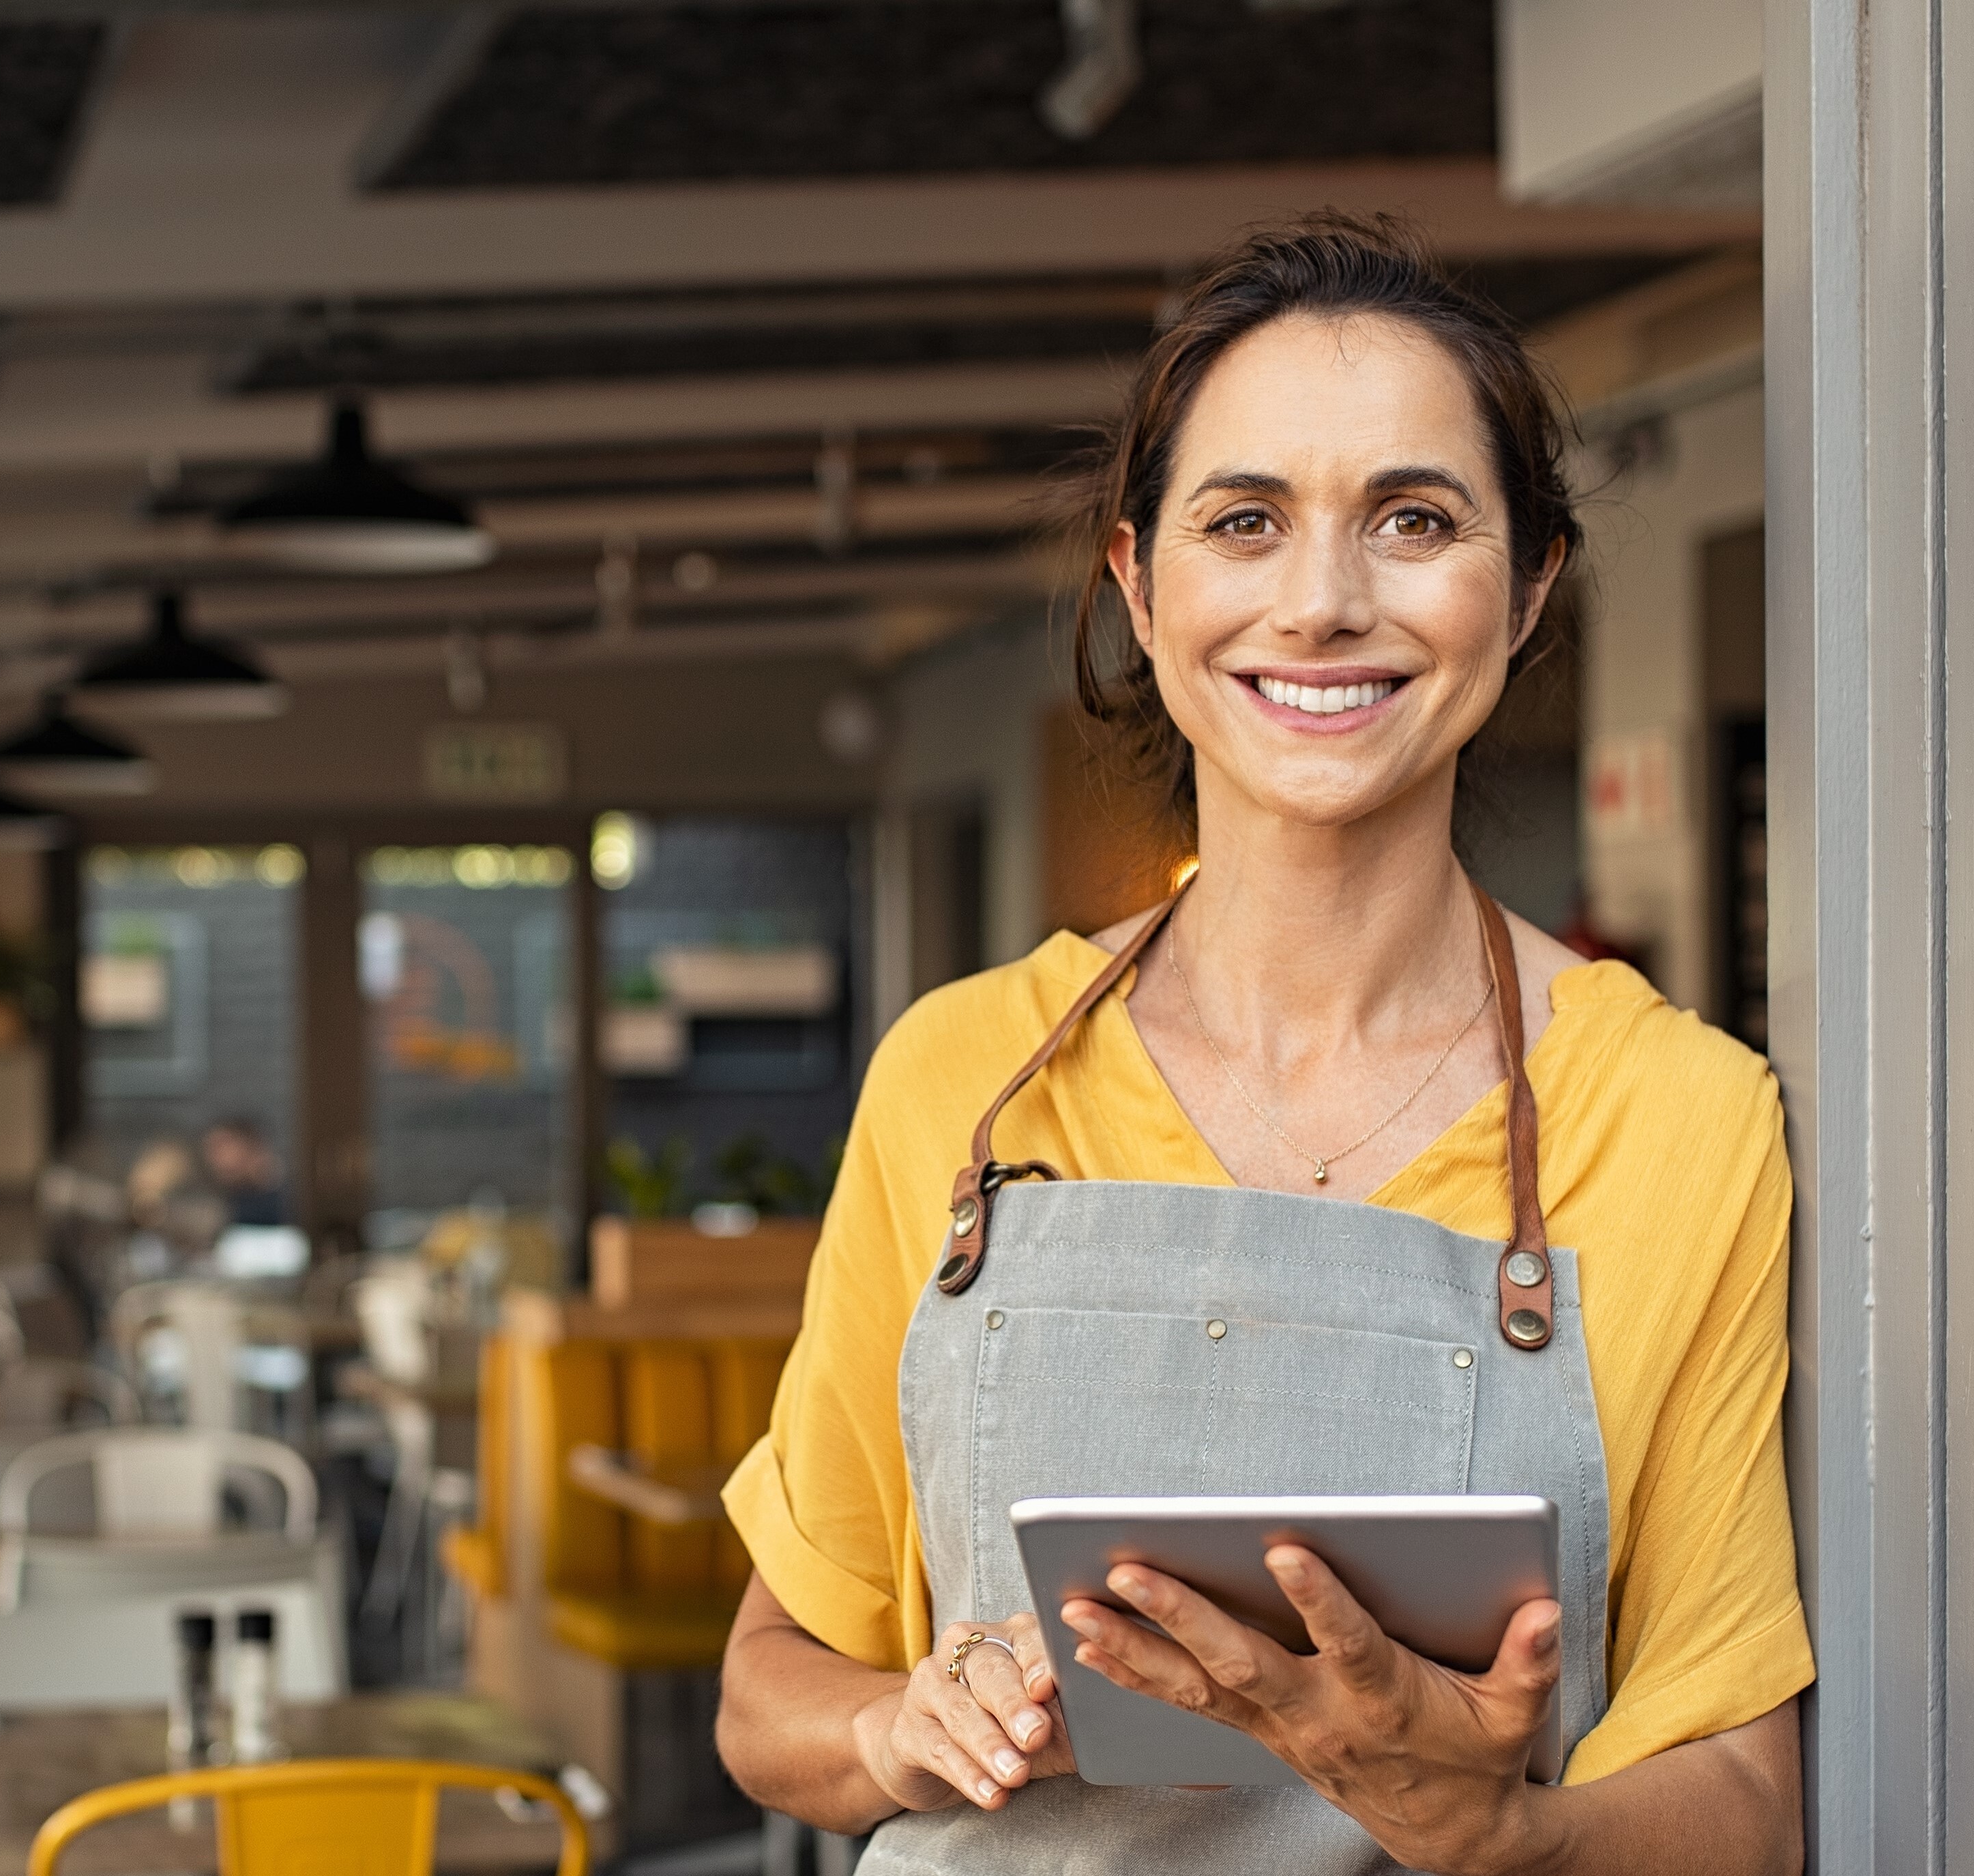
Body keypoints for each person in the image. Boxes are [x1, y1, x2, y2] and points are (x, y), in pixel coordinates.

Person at [714, 214, 1808, 1874]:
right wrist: (891, 1728)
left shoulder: (1672, 1115)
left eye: (1412, 518)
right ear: (1140, 585)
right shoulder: (960, 1076)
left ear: (1524, 591)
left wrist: (1501, 1833)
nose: (1320, 599)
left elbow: (1741, 1800)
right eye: (1244, 521)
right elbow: (765, 1686)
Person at [197, 1117, 291, 1228]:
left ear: (250, 1145)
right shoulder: (221, 1202)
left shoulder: (291, 1200)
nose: (214, 1158)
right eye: (210, 1150)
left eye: (222, 1146)